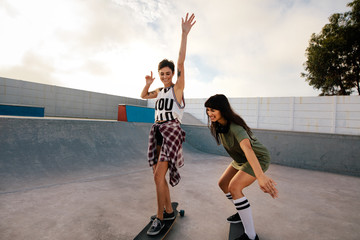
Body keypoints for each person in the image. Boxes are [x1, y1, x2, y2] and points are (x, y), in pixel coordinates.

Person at [140, 13, 196, 236]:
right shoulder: (159, 90)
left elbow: (181, 61)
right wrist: (147, 83)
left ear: (173, 74)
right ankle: (168, 210)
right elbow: (144, 95)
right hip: (157, 131)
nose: (164, 76)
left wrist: (184, 34)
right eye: (162, 73)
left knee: (156, 176)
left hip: (171, 130)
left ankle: (160, 217)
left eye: (167, 73)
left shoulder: (176, 89)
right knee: (157, 176)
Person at [204, 94, 279, 240]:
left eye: (213, 110)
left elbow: (248, 149)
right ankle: (241, 210)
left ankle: (251, 236)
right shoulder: (219, 125)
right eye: (207, 110)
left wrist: (260, 176)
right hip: (240, 159)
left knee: (234, 187)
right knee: (223, 184)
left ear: (222, 109)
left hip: (258, 158)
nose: (209, 113)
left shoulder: (235, 127)